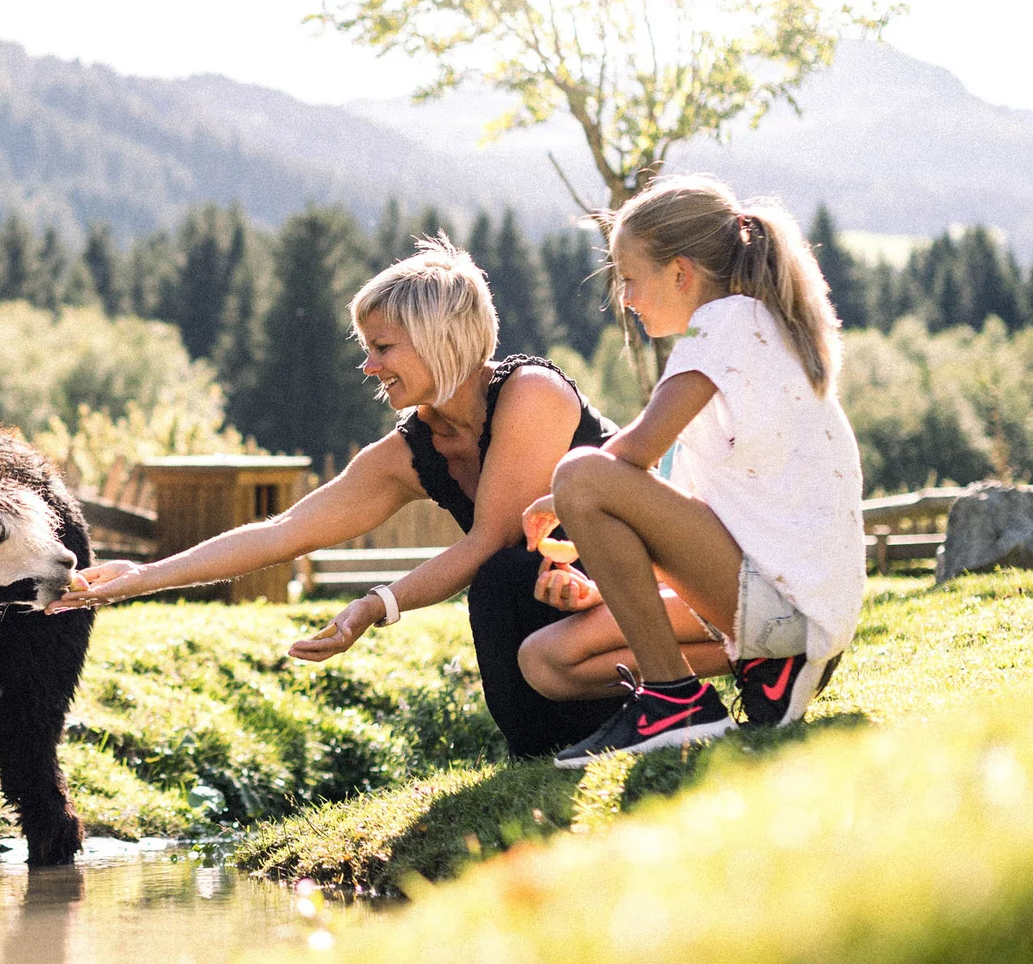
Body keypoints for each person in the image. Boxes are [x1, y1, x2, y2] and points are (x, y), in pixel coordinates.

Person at [49, 236, 625, 759]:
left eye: (384, 347)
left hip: (642, 584)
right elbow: (285, 531)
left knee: (502, 573)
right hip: (560, 607)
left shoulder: (531, 394)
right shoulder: (410, 453)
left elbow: (490, 541)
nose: (369, 365)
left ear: (439, 341)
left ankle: (635, 717)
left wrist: (376, 605)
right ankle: (548, 752)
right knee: (506, 583)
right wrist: (143, 577)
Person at [520, 175, 866, 769]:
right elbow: (702, 529)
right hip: (785, 604)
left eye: (628, 278)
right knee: (545, 662)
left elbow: (637, 450)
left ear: (680, 273)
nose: (623, 298)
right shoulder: (752, 329)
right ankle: (763, 669)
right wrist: (605, 589)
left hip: (787, 604)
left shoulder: (726, 322)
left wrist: (557, 496)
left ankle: (676, 702)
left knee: (580, 473)